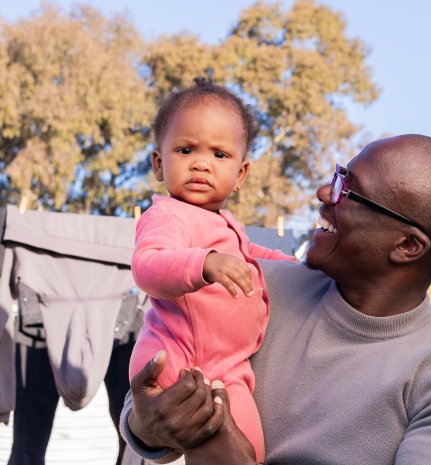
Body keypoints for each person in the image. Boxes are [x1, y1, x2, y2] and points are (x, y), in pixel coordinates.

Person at [120, 134, 431, 465]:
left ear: (407, 246)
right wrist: (145, 426)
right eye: (339, 176)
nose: (325, 192)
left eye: (351, 190)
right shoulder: (256, 287)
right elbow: (162, 380)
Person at [127, 77, 295, 464]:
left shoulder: (224, 224)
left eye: (220, 155)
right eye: (186, 150)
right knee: (202, 440)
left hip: (228, 367)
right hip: (177, 358)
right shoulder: (168, 215)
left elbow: (253, 255)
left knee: (248, 451)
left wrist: (297, 267)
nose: (201, 163)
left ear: (240, 174)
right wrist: (202, 264)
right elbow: (147, 265)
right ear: (158, 162)